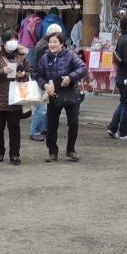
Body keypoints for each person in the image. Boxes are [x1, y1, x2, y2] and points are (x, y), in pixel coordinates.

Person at [35, 31, 87, 162]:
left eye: (55, 42)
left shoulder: (70, 54)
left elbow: (82, 68)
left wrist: (70, 77)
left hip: (71, 92)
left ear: (61, 43)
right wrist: (45, 85)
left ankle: (71, 150)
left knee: (73, 123)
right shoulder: (45, 57)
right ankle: (52, 152)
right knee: (51, 124)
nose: (52, 44)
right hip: (53, 93)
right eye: (50, 42)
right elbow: (39, 75)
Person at [0, 37, 31, 164]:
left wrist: (24, 74)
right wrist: (2, 71)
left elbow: (30, 72)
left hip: (16, 97)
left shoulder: (22, 56)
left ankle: (15, 154)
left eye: (15, 39)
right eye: (10, 40)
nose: (13, 42)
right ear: (4, 43)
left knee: (14, 126)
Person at [106, 13, 127, 142]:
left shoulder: (123, 38)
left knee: (124, 102)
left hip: (122, 75)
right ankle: (125, 132)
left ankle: (112, 127)